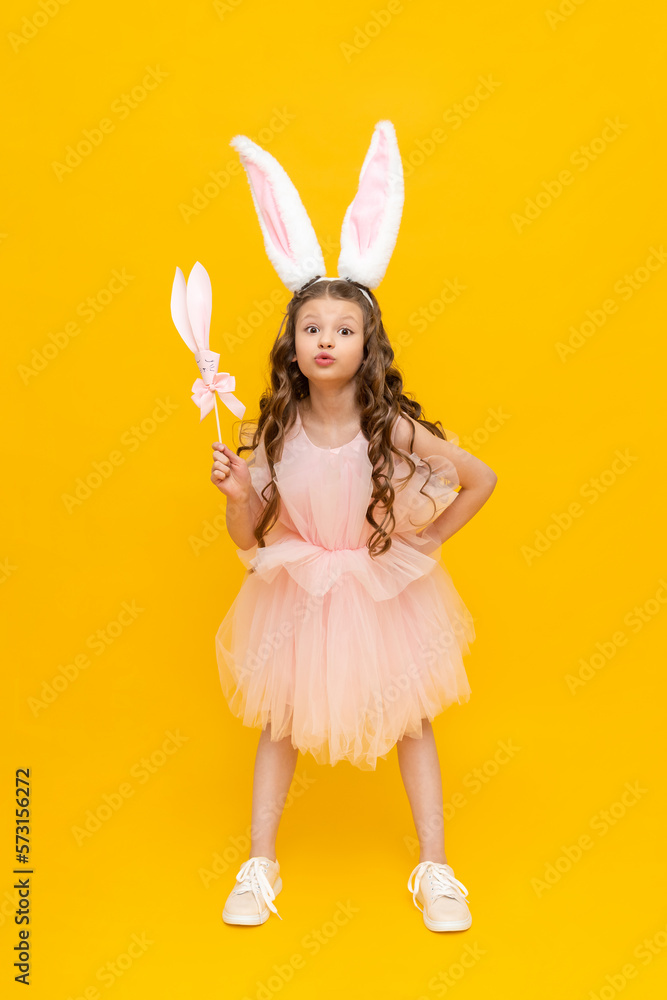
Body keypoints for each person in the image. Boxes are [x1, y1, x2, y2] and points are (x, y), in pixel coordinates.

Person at [210, 121, 497, 933]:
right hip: (299, 586)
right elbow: (247, 540)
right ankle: (259, 864)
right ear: (292, 345)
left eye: (342, 329)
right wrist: (236, 490)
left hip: (377, 589)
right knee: (279, 720)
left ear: (365, 344)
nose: (325, 339)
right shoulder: (274, 430)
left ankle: (434, 868)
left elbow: (479, 478)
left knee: (411, 719)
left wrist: (428, 541)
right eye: (311, 329)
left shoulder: (389, 426)